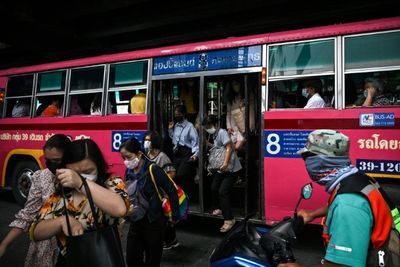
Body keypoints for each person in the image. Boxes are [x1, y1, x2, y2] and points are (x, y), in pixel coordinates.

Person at [279, 129, 396, 267]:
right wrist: (312, 214)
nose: (306, 163)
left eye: (307, 157)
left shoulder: (347, 204)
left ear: (321, 160)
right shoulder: (356, 179)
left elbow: (342, 265)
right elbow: (347, 205)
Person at [29, 139, 129, 266]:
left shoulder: (112, 184)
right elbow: (35, 231)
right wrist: (62, 221)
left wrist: (80, 182)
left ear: (98, 166)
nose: (79, 176)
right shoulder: (61, 195)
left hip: (104, 259)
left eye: (88, 172)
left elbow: (120, 209)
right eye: (74, 173)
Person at [0, 134, 71, 267]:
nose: (51, 165)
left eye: (57, 160)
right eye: (47, 160)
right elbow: (28, 214)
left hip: (73, 245)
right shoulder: (41, 177)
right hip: (46, 245)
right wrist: (4, 245)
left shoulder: (78, 178)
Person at [119, 137, 179, 267]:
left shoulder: (153, 169)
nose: (126, 161)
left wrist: (175, 215)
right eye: (123, 158)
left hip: (154, 224)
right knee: (132, 260)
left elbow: (172, 190)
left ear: (139, 154)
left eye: (128, 157)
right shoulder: (129, 171)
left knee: (152, 261)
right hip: (136, 223)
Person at [203, 115, 242, 232]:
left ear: (214, 124)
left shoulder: (222, 132)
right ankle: (219, 208)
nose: (207, 128)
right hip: (222, 168)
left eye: (208, 126)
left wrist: (225, 163)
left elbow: (229, 148)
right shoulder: (214, 134)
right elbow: (218, 148)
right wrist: (207, 144)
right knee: (214, 187)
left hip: (231, 168)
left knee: (222, 191)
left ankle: (229, 219)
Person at [168, 104, 199, 199]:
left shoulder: (190, 127)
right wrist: (170, 129)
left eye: (178, 114)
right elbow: (174, 139)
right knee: (173, 175)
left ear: (184, 114)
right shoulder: (176, 125)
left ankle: (187, 196)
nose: (176, 116)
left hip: (187, 153)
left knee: (182, 174)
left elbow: (195, 141)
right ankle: (180, 196)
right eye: (175, 114)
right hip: (177, 153)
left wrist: (195, 154)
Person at [225, 79, 246, 151]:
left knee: (237, 146)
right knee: (232, 146)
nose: (235, 87)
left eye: (236, 84)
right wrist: (229, 127)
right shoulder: (230, 99)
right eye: (233, 85)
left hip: (243, 125)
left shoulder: (245, 96)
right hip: (233, 126)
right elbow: (228, 114)